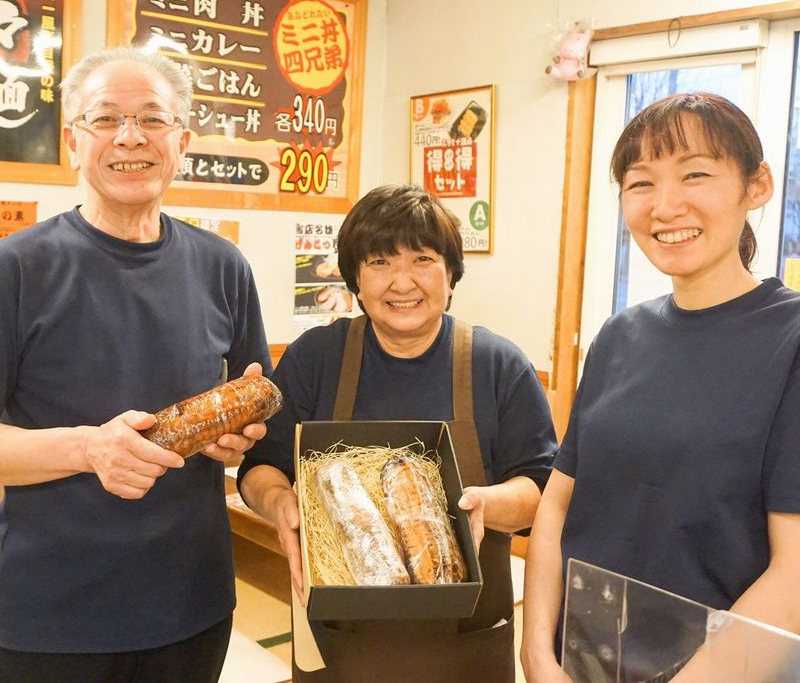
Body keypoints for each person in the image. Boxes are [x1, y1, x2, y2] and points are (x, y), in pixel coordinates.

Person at [0, 47, 270, 682]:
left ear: (182, 141)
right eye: (105, 118)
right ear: (72, 139)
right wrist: (89, 449)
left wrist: (238, 439)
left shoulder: (222, 266)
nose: (131, 137)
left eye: (153, 118)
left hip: (191, 606)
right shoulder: (17, 267)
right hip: (47, 618)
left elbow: (254, 409)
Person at [521, 93, 800, 682]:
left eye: (696, 173)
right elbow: (558, 506)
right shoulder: (621, 335)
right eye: (641, 183)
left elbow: (794, 572)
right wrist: (538, 654)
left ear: (757, 186)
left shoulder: (789, 340)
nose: (666, 206)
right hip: (586, 662)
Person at [238, 183, 558, 682]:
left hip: (466, 643)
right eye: (380, 262)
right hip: (338, 642)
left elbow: (541, 491)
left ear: (451, 275)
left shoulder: (498, 365)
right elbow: (260, 468)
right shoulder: (315, 358)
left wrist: (483, 506)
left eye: (423, 260)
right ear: (356, 282)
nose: (402, 282)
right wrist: (281, 505)